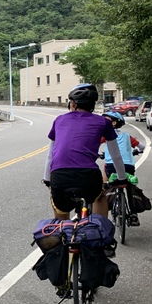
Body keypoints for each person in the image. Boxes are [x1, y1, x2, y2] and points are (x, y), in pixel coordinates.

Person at [43, 83, 128, 221]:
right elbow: (115, 155)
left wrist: (47, 180)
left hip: (59, 175)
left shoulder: (59, 120)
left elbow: (50, 156)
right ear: (92, 105)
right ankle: (100, 233)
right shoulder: (103, 122)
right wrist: (122, 178)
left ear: (73, 103)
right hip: (88, 176)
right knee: (99, 197)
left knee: (61, 212)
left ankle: (63, 235)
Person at [101, 111, 145, 226]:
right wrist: (136, 151)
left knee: (105, 182)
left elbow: (93, 143)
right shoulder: (127, 136)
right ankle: (134, 214)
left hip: (111, 166)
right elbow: (141, 147)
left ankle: (107, 202)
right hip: (128, 166)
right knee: (129, 186)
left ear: (114, 123)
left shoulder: (105, 135)